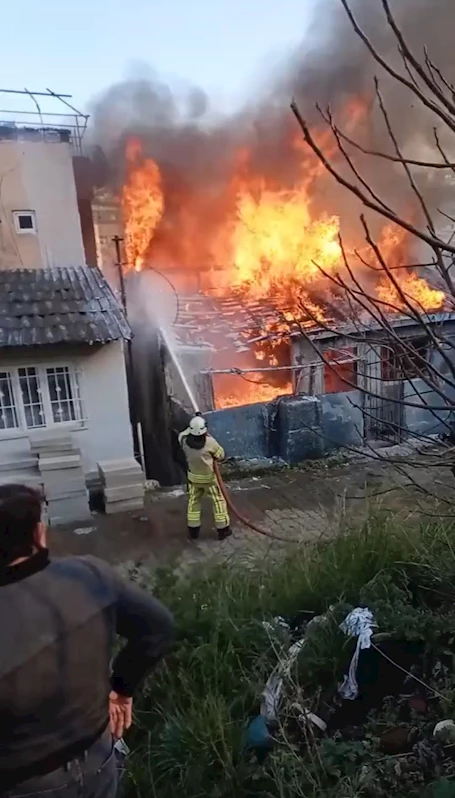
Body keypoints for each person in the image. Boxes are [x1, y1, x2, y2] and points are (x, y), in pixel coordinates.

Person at [0, 483, 173, 797]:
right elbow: (158, 627)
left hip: (24, 782)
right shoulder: (89, 575)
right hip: (98, 756)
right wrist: (121, 689)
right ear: (39, 533)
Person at [179, 414, 231, 541]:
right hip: (209, 480)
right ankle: (223, 530)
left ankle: (193, 531)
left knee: (193, 502)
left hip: (193, 479)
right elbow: (221, 455)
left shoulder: (184, 442)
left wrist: (194, 426)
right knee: (218, 501)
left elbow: (182, 434)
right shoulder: (210, 443)